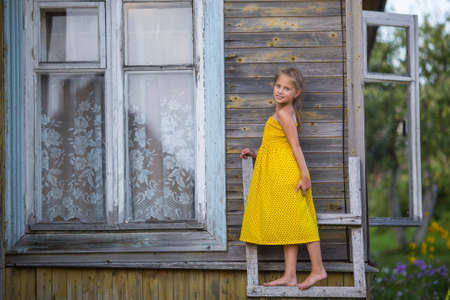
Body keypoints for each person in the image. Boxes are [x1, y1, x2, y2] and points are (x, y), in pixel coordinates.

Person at [239, 67, 327, 290]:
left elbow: (295, 146)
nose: (280, 91)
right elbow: (277, 147)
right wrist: (255, 154)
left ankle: (318, 269)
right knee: (289, 223)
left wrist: (305, 176)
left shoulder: (285, 114)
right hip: (280, 172)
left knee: (301, 222)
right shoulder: (282, 113)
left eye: (287, 89)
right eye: (278, 86)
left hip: (288, 175)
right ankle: (290, 275)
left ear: (296, 93)